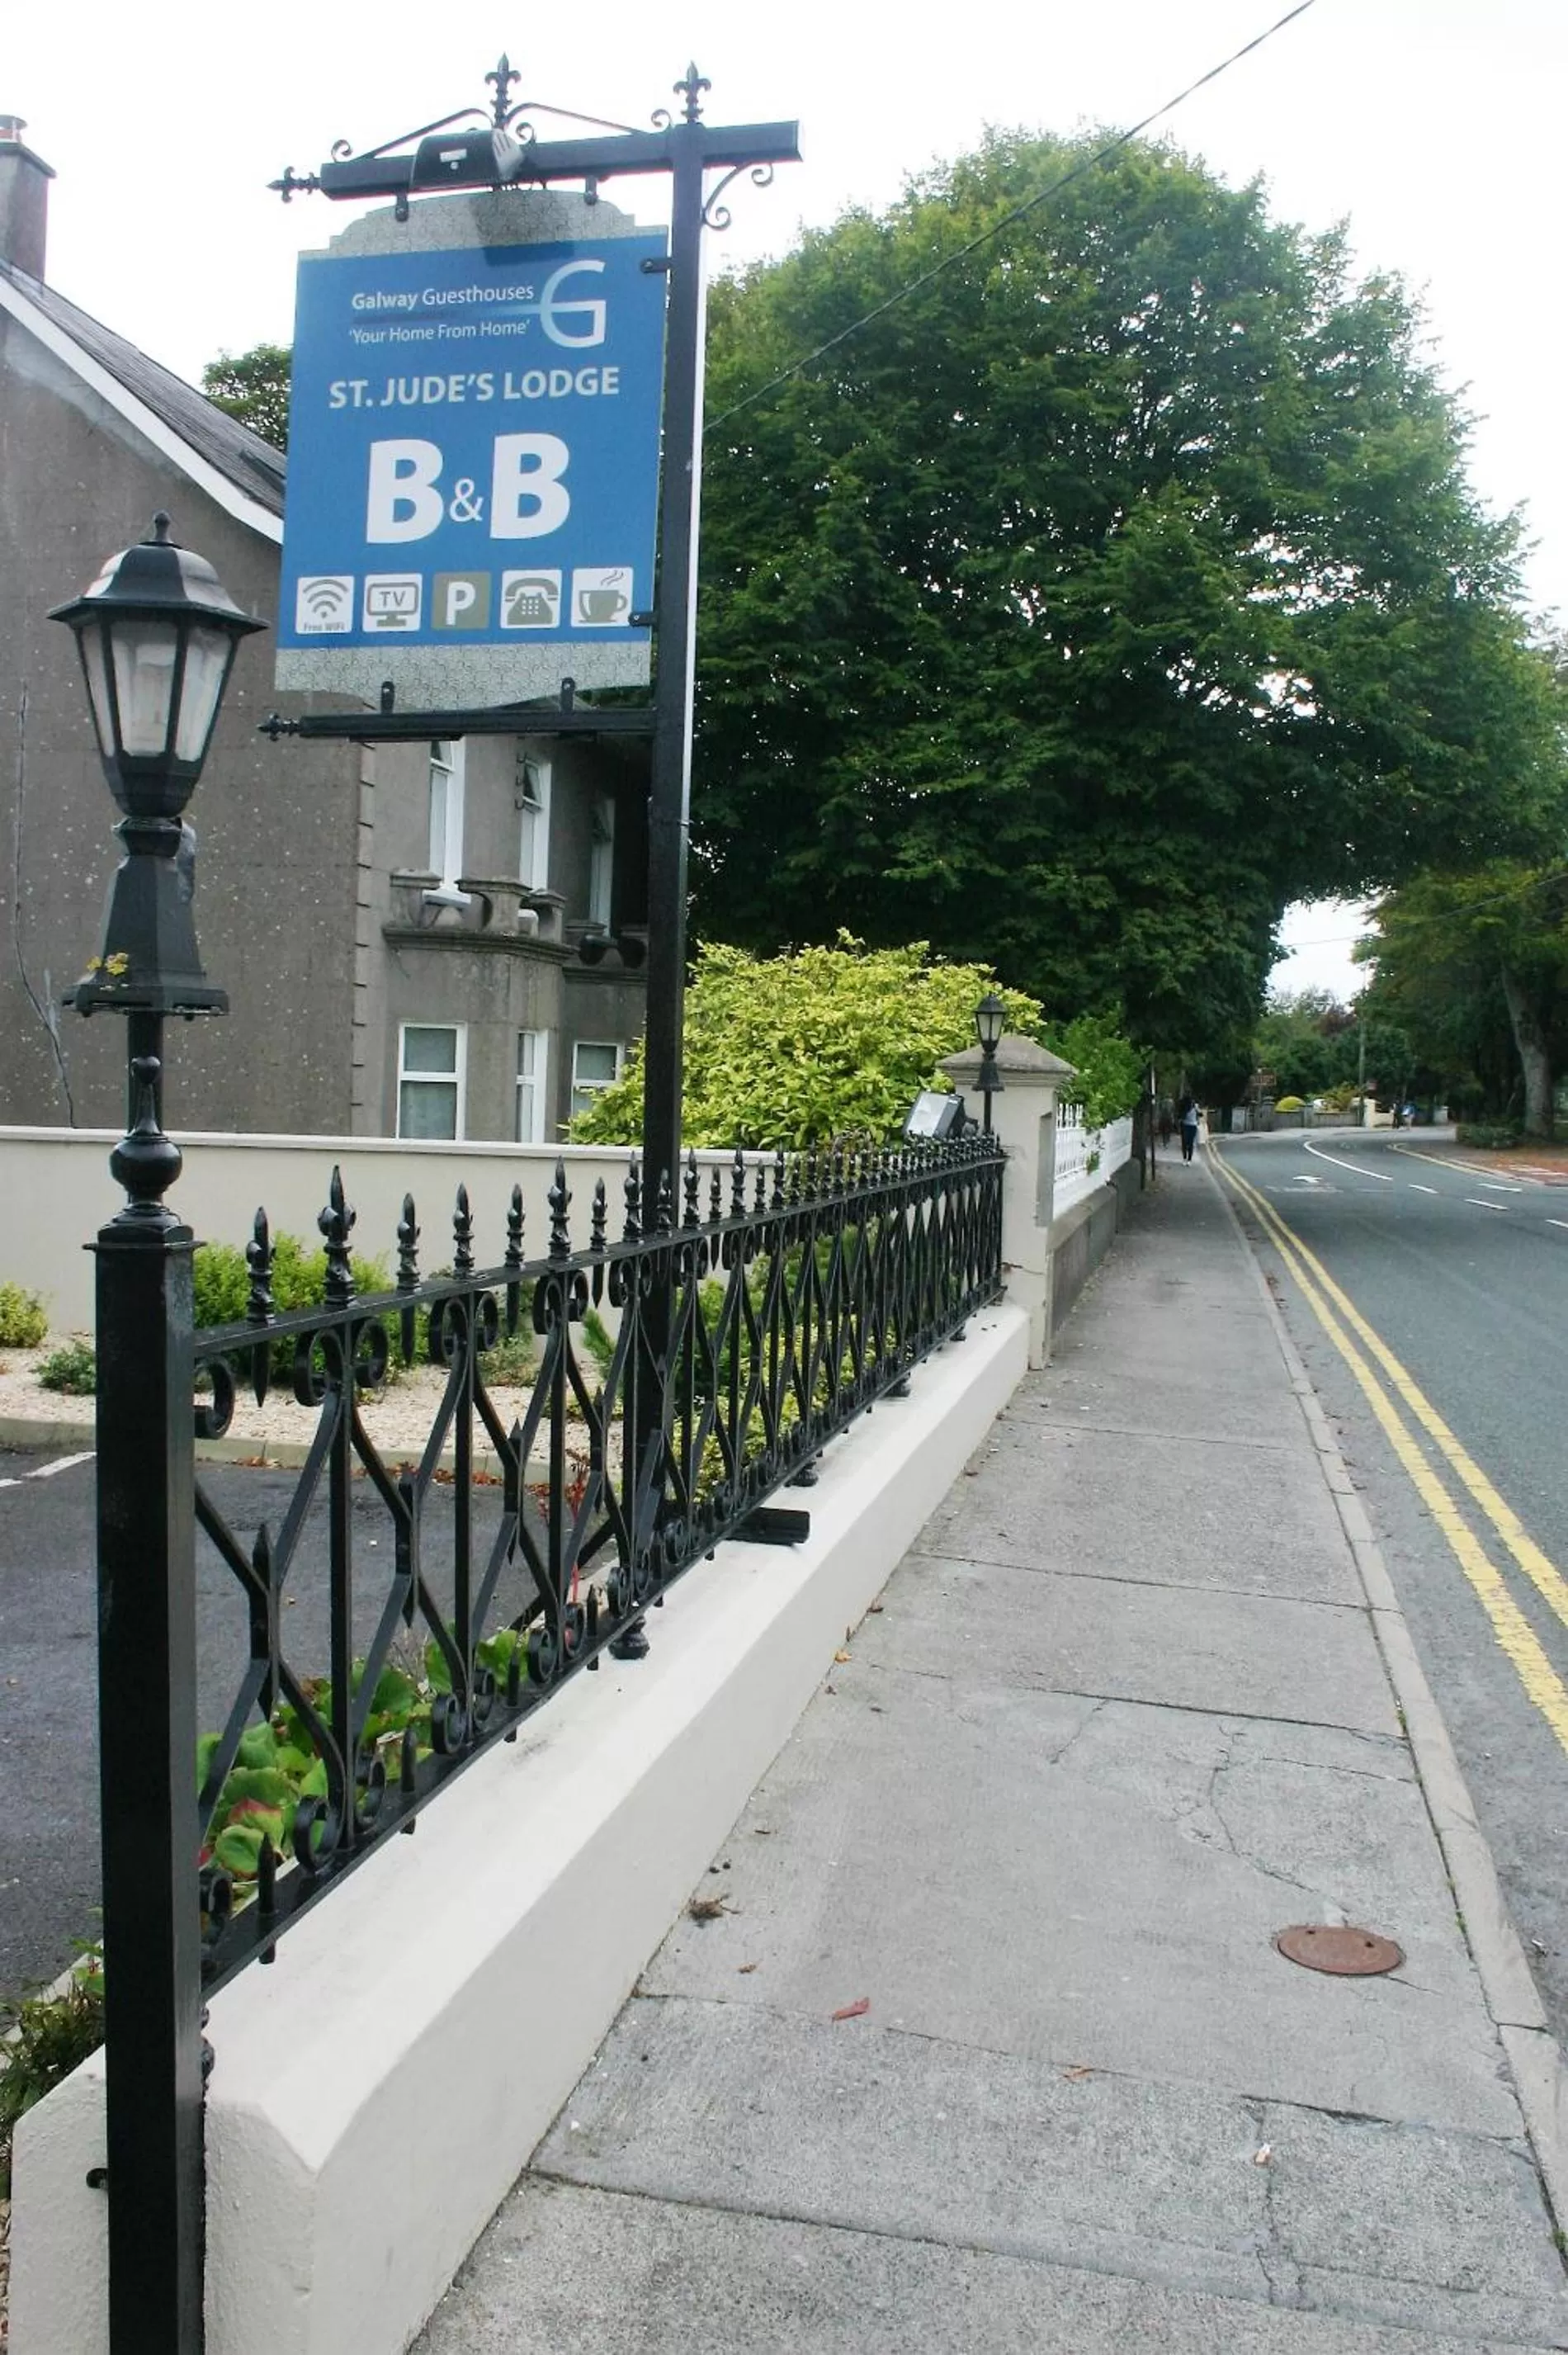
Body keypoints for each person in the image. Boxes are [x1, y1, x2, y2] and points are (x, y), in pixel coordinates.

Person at [1178, 1092, 1200, 1163]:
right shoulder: (1185, 1107)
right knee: (1185, 1143)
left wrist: (1197, 1109)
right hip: (1186, 1125)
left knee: (1190, 1143)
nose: (1192, 1103)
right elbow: (1180, 1116)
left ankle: (1189, 1160)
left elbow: (1201, 1114)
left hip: (1192, 1126)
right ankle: (1185, 1159)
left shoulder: (1195, 1107)